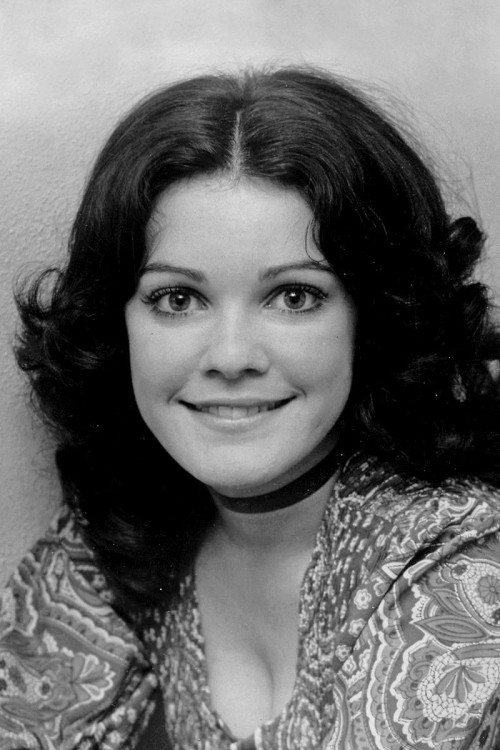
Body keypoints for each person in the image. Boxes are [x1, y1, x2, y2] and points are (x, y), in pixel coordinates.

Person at [1, 66, 500, 750]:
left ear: (374, 318)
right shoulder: (129, 520)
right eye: (178, 299)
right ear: (118, 325)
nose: (231, 356)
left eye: (294, 297)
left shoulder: (459, 567)